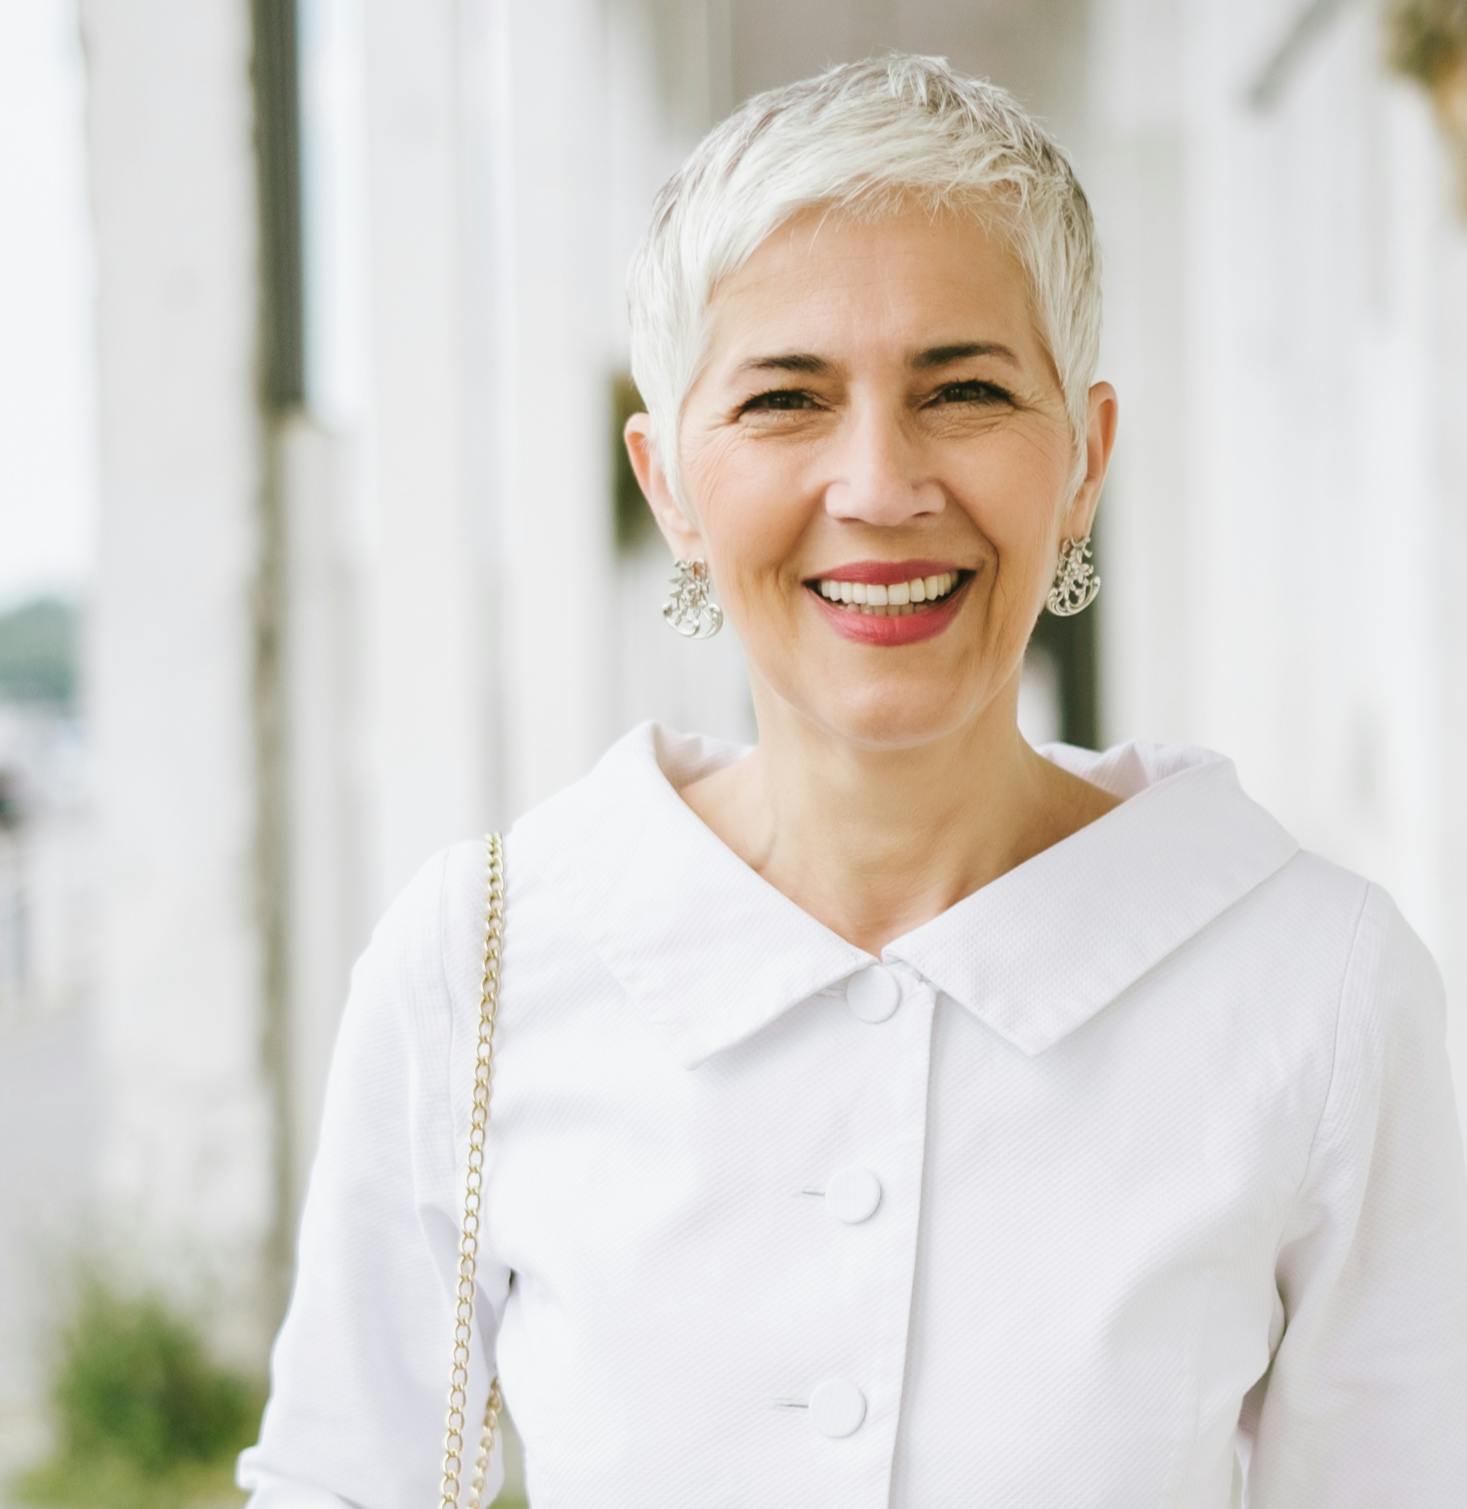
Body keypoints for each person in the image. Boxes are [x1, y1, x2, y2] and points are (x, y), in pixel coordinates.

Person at [236, 51, 1467, 1507]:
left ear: (1084, 463)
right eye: (783, 401)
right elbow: (349, 1479)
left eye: (964, 389)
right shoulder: (481, 961)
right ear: (668, 485)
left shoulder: (1313, 980)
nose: (881, 486)